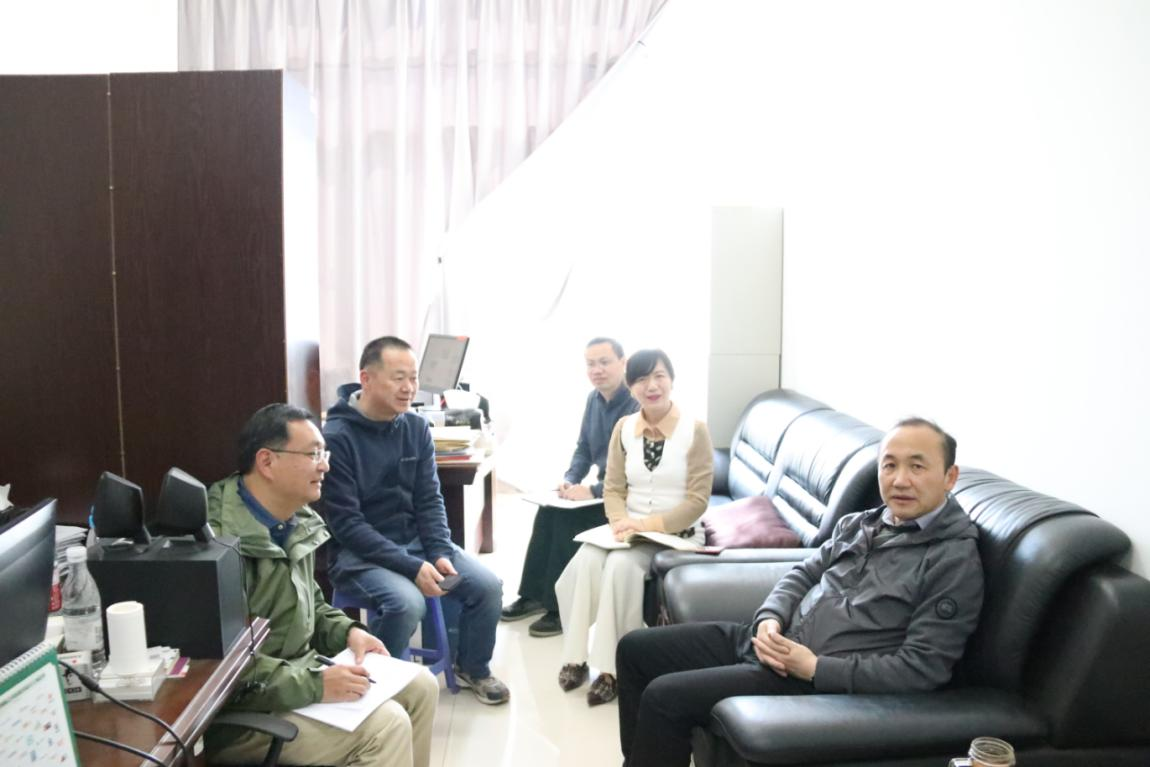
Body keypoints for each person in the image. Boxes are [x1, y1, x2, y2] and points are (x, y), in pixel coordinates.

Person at [615, 417, 985, 767]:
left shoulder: (953, 560)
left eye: (917, 467)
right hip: (771, 642)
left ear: (949, 477)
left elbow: (922, 669)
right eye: (889, 465)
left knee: (666, 697)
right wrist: (770, 617)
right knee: (635, 650)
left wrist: (815, 668)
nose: (900, 480)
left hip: (808, 679)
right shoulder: (862, 523)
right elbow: (804, 572)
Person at [205, 403, 438, 767]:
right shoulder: (217, 543)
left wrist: (348, 632)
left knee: (420, 685)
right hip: (245, 715)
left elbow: (311, 604)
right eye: (313, 454)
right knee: (386, 727)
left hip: (295, 680)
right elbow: (220, 667)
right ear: (267, 462)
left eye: (323, 454)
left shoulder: (294, 521)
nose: (325, 466)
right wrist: (316, 684)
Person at [322, 336, 510, 705]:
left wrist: (439, 551)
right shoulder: (337, 437)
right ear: (366, 379)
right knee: (407, 603)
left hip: (418, 546)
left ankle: (473, 667)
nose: (409, 388)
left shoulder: (415, 428)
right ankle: (379, 689)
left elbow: (429, 501)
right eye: (398, 378)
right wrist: (412, 566)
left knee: (487, 587)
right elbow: (347, 525)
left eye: (413, 378)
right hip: (359, 556)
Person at [554, 348, 713, 706]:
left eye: (659, 376)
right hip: (629, 531)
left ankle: (615, 669)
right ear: (630, 386)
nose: (651, 386)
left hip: (677, 535)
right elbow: (613, 488)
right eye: (641, 379)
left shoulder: (695, 430)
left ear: (672, 380)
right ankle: (575, 657)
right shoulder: (624, 428)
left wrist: (644, 524)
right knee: (585, 561)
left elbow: (698, 501)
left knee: (620, 567)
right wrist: (618, 522)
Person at [501, 337, 639, 637]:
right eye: (591, 364)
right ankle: (533, 595)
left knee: (567, 519)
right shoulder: (594, 399)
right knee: (548, 512)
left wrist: (593, 492)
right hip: (606, 491)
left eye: (605, 362)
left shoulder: (636, 406)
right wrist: (571, 479)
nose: (597, 370)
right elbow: (584, 449)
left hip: (629, 500)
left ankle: (560, 608)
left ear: (623, 363)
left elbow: (635, 471)